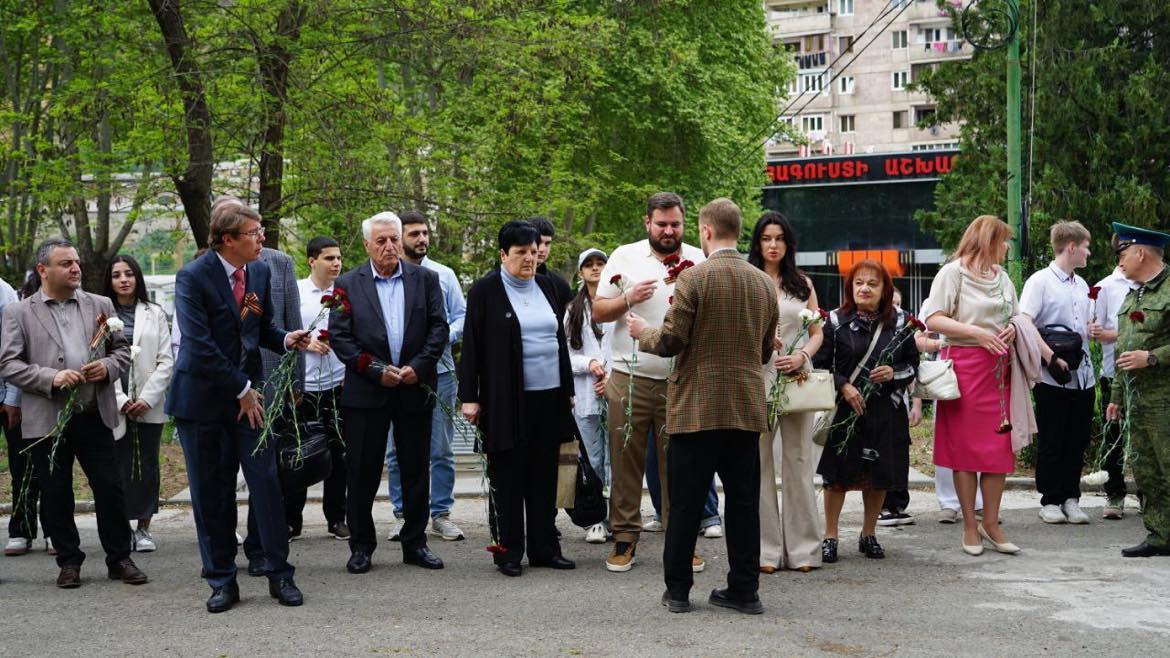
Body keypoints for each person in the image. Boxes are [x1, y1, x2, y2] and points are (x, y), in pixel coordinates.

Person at [627, 197, 778, 615]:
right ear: (739, 231)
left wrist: (643, 332)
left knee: (685, 504)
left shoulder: (694, 278)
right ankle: (745, 590)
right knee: (743, 505)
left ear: (705, 231)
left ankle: (678, 591)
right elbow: (765, 350)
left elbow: (671, 340)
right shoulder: (764, 283)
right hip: (744, 408)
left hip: (696, 407)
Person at [167, 200, 311, 612]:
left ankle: (279, 574)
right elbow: (199, 345)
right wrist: (241, 388)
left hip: (250, 402)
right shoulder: (193, 277)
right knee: (212, 494)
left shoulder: (259, 271)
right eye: (254, 233)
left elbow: (260, 328)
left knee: (267, 485)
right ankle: (221, 580)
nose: (261, 239)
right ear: (228, 239)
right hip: (202, 403)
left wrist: (286, 339)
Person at [0, 239, 146, 588]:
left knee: (110, 488)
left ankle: (119, 559)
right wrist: (51, 378)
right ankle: (68, 561)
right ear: (43, 270)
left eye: (76, 262)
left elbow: (121, 350)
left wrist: (107, 367)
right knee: (55, 493)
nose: (76, 268)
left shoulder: (101, 304)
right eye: (66, 263)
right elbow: (8, 364)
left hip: (94, 412)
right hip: (48, 419)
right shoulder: (19, 312)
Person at [592, 191, 707, 573]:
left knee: (681, 466)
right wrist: (627, 298)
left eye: (675, 224)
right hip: (630, 376)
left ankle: (682, 541)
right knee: (625, 461)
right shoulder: (624, 256)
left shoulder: (700, 259)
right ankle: (625, 538)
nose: (668, 231)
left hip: (681, 379)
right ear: (647, 223)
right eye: (661, 224)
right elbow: (599, 312)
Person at [329, 211, 448, 575]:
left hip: (413, 387)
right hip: (367, 392)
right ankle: (361, 546)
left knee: (415, 470)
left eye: (394, 239)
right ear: (367, 244)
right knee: (362, 472)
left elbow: (438, 328)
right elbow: (341, 337)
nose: (389, 246)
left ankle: (415, 543)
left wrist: (419, 367)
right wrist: (376, 371)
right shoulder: (347, 284)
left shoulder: (425, 279)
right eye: (380, 240)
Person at [459, 220, 580, 577]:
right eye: (521, 252)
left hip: (550, 396)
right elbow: (471, 345)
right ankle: (508, 551)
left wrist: (568, 390)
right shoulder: (485, 291)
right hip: (505, 399)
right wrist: (469, 397)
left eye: (534, 251)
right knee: (508, 476)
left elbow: (559, 343)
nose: (530, 258)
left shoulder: (549, 285)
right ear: (503, 254)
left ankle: (545, 548)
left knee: (545, 475)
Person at [924, 215, 1027, 556]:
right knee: (964, 453)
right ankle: (970, 525)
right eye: (1003, 241)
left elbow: (1018, 314)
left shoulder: (1002, 277)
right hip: (964, 369)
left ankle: (991, 523)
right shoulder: (952, 273)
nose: (1006, 247)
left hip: (998, 371)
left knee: (999, 451)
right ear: (987, 241)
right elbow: (933, 318)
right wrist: (977, 333)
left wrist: (1014, 327)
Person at [815, 260, 919, 563]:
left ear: (885, 289)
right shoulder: (835, 321)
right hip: (846, 411)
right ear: (850, 287)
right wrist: (844, 386)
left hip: (886, 412)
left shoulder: (901, 323)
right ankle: (830, 537)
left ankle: (869, 534)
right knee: (836, 477)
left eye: (873, 284)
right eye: (859, 283)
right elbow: (821, 366)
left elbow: (913, 365)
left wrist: (894, 373)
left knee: (878, 477)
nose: (865, 289)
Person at [748, 210, 825, 572]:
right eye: (766, 238)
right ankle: (765, 551)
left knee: (798, 461)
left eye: (779, 238)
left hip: (796, 377)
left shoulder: (803, 284)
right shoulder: (748, 279)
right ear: (757, 243)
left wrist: (802, 356)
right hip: (756, 377)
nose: (773, 245)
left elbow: (818, 332)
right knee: (758, 464)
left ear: (788, 243)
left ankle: (804, 550)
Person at [385, 210, 467, 542]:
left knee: (441, 447)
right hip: (396, 374)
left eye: (425, 233)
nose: (421, 239)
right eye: (414, 234)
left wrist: (440, 338)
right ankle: (402, 514)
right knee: (396, 450)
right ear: (399, 238)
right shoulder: (388, 276)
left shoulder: (443, 275)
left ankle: (441, 514)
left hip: (440, 372)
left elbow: (462, 317)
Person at [1020, 221, 1096, 525]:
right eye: (1086, 247)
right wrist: (1050, 357)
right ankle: (1050, 499)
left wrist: (1094, 330)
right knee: (1053, 438)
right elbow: (1025, 322)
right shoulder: (1039, 282)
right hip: (1052, 376)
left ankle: (1071, 498)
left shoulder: (1083, 285)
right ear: (1072, 247)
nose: (1089, 253)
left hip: (1083, 376)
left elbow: (1085, 327)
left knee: (1077, 439)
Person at [1105, 222, 1170, 558]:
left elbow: (1143, 354)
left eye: (1124, 253)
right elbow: (1124, 350)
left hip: (1165, 400)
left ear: (1141, 253)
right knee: (1147, 471)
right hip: (1138, 401)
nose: (1120, 262)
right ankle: (1160, 536)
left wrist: (1153, 357)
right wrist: (1116, 396)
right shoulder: (1134, 295)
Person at [105, 255, 174, 553]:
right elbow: (97, 359)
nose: (124, 280)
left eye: (129, 274)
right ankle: (121, 528)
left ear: (138, 278)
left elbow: (166, 360)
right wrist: (121, 399)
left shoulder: (154, 312)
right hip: (113, 400)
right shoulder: (101, 312)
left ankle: (143, 527)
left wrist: (146, 398)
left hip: (149, 401)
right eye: (117, 275)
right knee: (116, 466)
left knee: (146, 465)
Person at [288, 236, 349, 540]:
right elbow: (282, 333)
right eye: (329, 258)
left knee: (339, 453)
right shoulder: (297, 292)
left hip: (338, 385)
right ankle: (292, 520)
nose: (336, 263)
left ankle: (336, 518)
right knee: (300, 453)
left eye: (338, 258)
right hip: (303, 387)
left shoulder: (346, 293)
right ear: (312, 261)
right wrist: (306, 343)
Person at [879, 287, 942, 527]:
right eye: (891, 302)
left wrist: (916, 403)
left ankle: (898, 504)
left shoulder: (904, 329)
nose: (895, 307)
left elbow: (913, 367)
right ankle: (882, 505)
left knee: (900, 450)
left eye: (898, 303)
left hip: (899, 398)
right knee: (881, 451)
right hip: (876, 398)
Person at [564, 247, 614, 544]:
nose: (595, 269)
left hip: (615, 392)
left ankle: (618, 516)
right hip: (585, 394)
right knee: (592, 458)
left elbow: (628, 348)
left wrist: (610, 377)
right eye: (589, 265)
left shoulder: (620, 304)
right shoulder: (573, 310)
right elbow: (565, 355)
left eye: (600, 263)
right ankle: (595, 518)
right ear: (581, 272)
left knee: (617, 459)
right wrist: (590, 364)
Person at [1091, 263, 1139, 519]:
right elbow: (1095, 332)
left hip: (1149, 375)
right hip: (1114, 373)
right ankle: (1115, 493)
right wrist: (1111, 334)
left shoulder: (1155, 284)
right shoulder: (1105, 287)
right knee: (1113, 437)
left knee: (1147, 438)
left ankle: (1149, 495)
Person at [2, 275, 42, 556]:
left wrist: (13, 398)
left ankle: (24, 529)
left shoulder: (2, 291)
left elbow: (15, 350)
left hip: (9, 394)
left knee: (24, 465)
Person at [528, 216, 574, 313]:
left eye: (547, 243)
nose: (542, 249)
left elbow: (570, 321)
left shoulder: (560, 286)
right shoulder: (500, 280)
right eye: (538, 242)